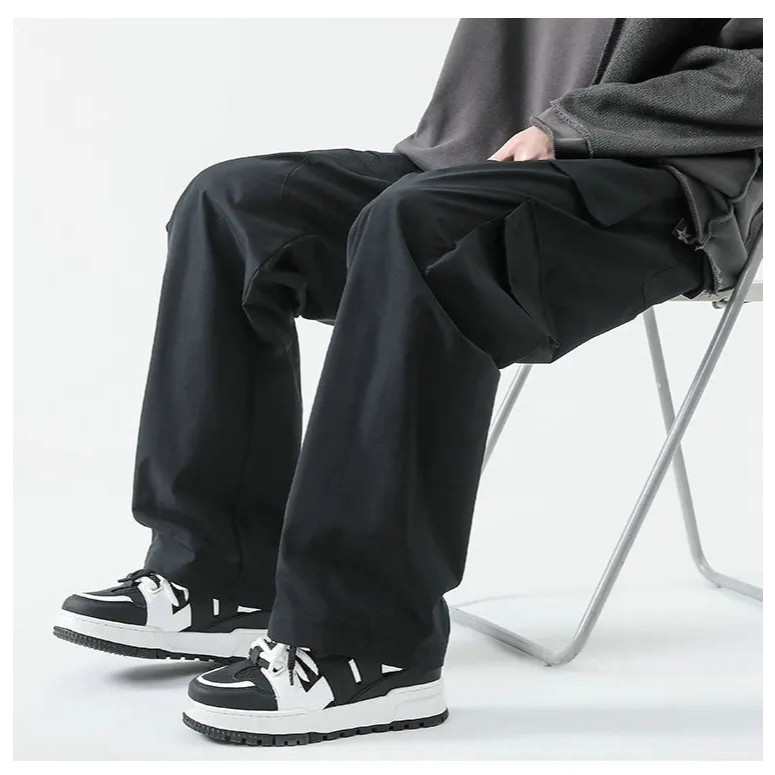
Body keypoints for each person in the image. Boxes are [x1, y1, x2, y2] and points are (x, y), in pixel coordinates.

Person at [54, 18, 762, 746]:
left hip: (661, 187)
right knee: (230, 204)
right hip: (476, 160)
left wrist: (579, 126)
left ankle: (366, 642)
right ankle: (218, 574)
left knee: (420, 229)